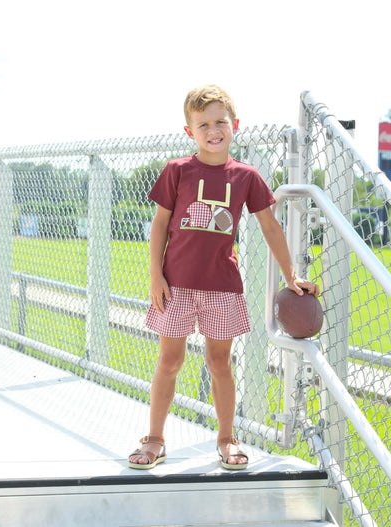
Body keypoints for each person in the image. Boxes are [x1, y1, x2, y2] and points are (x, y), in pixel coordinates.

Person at [128, 85, 319, 470]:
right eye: (203, 124)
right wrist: (154, 276)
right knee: (169, 360)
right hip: (175, 284)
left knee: (219, 363)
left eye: (220, 122)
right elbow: (160, 225)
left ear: (234, 125)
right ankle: (154, 439)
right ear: (189, 132)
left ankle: (227, 438)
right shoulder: (177, 170)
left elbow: (270, 228)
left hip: (221, 287)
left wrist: (292, 274)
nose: (213, 130)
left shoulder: (246, 176)